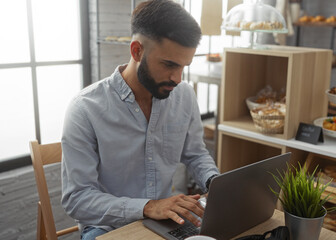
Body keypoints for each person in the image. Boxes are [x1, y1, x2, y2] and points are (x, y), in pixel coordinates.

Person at [61, 1, 220, 239]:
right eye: (169, 65)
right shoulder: (85, 109)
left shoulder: (184, 95)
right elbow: (77, 199)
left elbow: (195, 153)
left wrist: (216, 183)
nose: (177, 78)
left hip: (169, 221)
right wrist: (148, 207)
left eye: (184, 66)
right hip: (107, 227)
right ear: (137, 51)